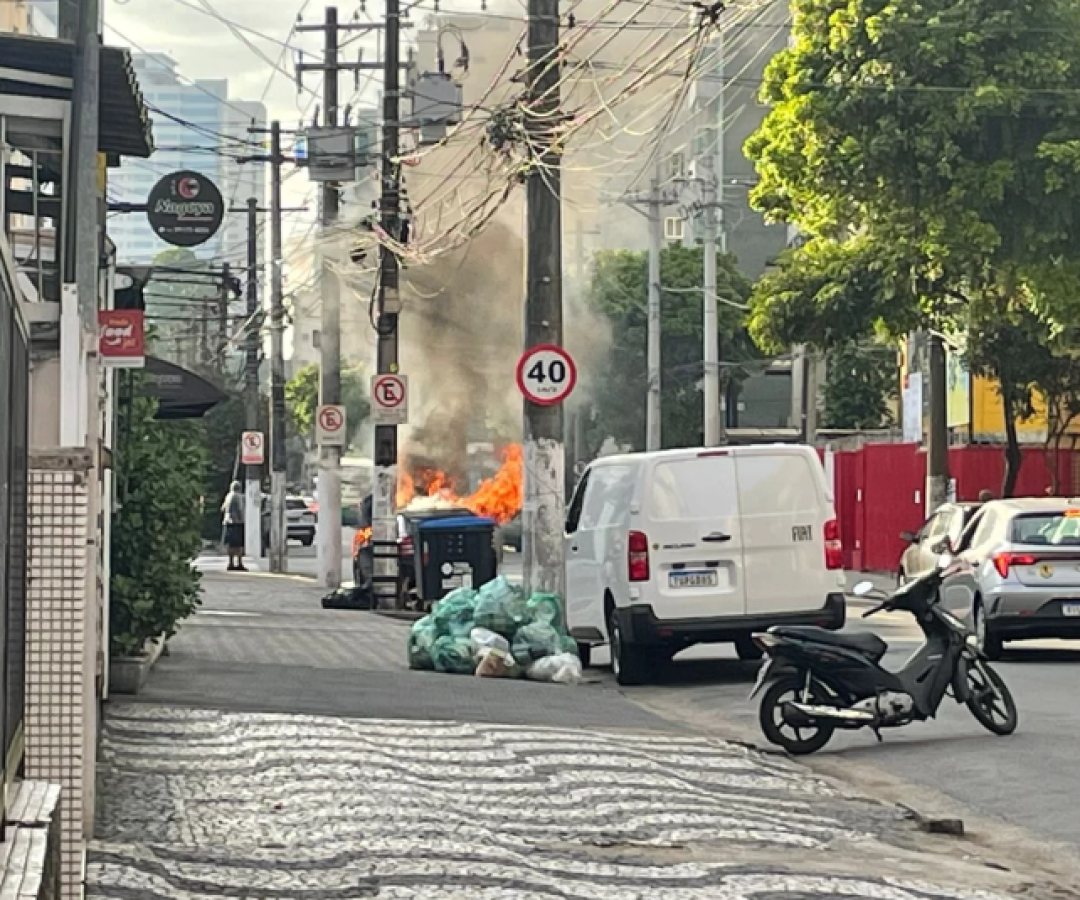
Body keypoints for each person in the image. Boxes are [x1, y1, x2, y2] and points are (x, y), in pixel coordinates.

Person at [221, 481, 247, 572]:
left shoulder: (228, 496)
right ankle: (239, 563)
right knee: (239, 545)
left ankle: (231, 563)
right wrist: (242, 519)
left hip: (228, 522)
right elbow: (240, 509)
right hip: (237, 522)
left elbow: (222, 508)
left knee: (231, 544)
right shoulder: (237, 496)